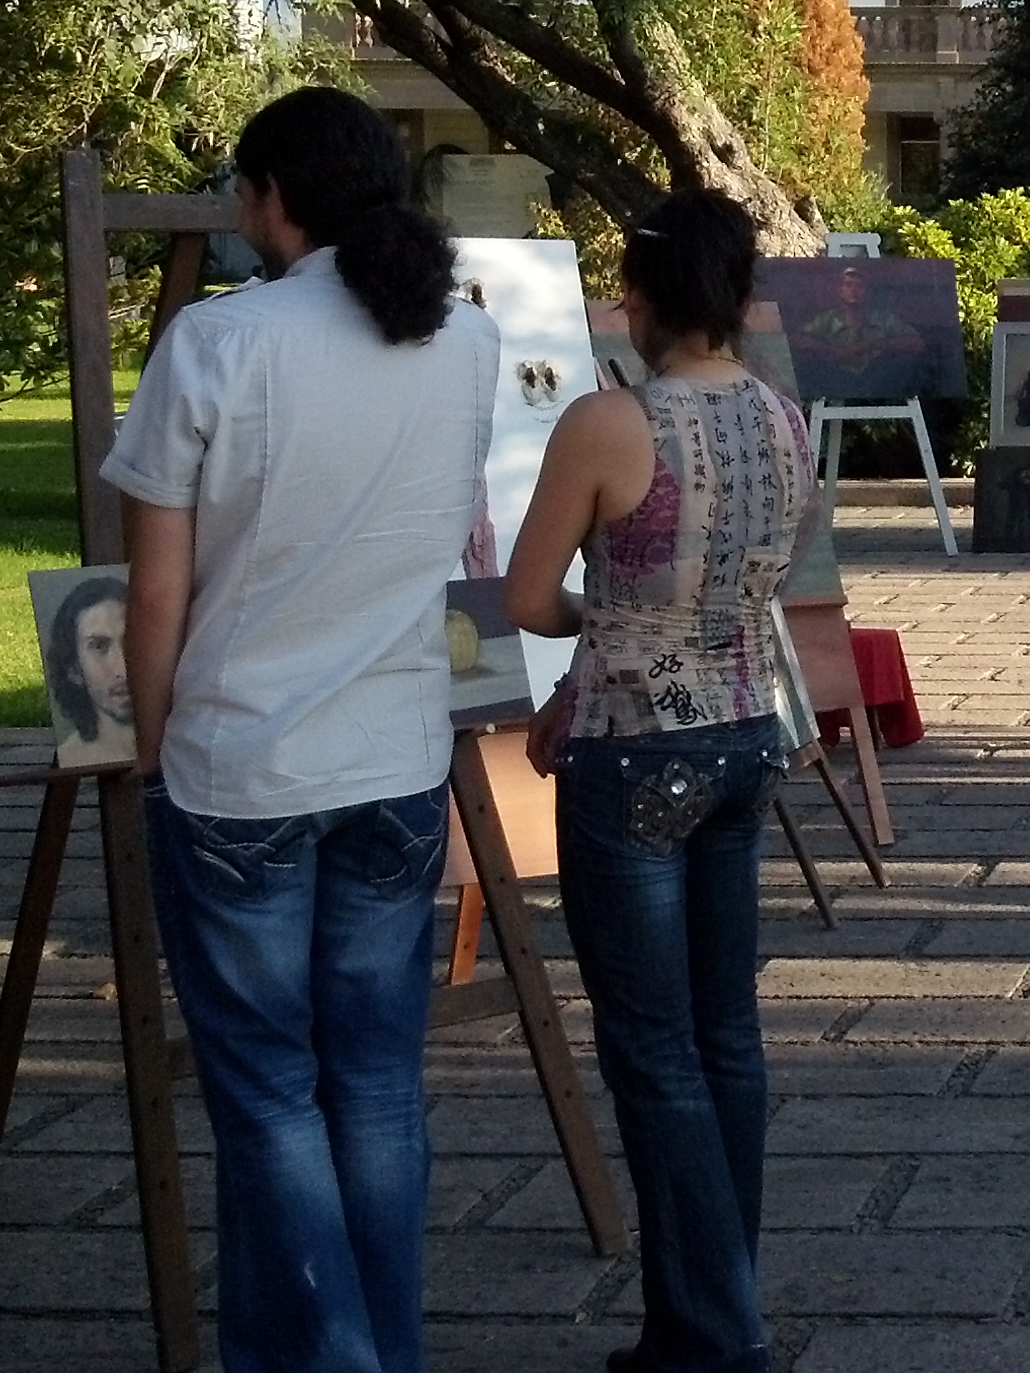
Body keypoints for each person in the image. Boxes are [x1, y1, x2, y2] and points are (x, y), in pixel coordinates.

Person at [106, 86, 496, 1373]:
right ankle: (371, 1344)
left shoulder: (219, 342)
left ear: (273, 195)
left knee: (270, 1089)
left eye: (240, 187)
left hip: (244, 765)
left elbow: (154, 593)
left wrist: (149, 743)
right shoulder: (465, 336)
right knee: (374, 1083)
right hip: (394, 758)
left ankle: (339, 1357)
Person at [505, 190, 808, 1373]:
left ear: (637, 296)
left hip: (636, 747)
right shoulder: (783, 416)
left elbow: (528, 596)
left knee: (652, 1046)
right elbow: (755, 586)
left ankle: (717, 1331)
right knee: (727, 1033)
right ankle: (710, 1307)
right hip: (745, 732)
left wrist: (610, 621)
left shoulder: (608, 420)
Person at [42, 574, 137, 769]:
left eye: (132, 641)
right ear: (74, 669)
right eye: (99, 646)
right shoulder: (73, 758)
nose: (122, 668)